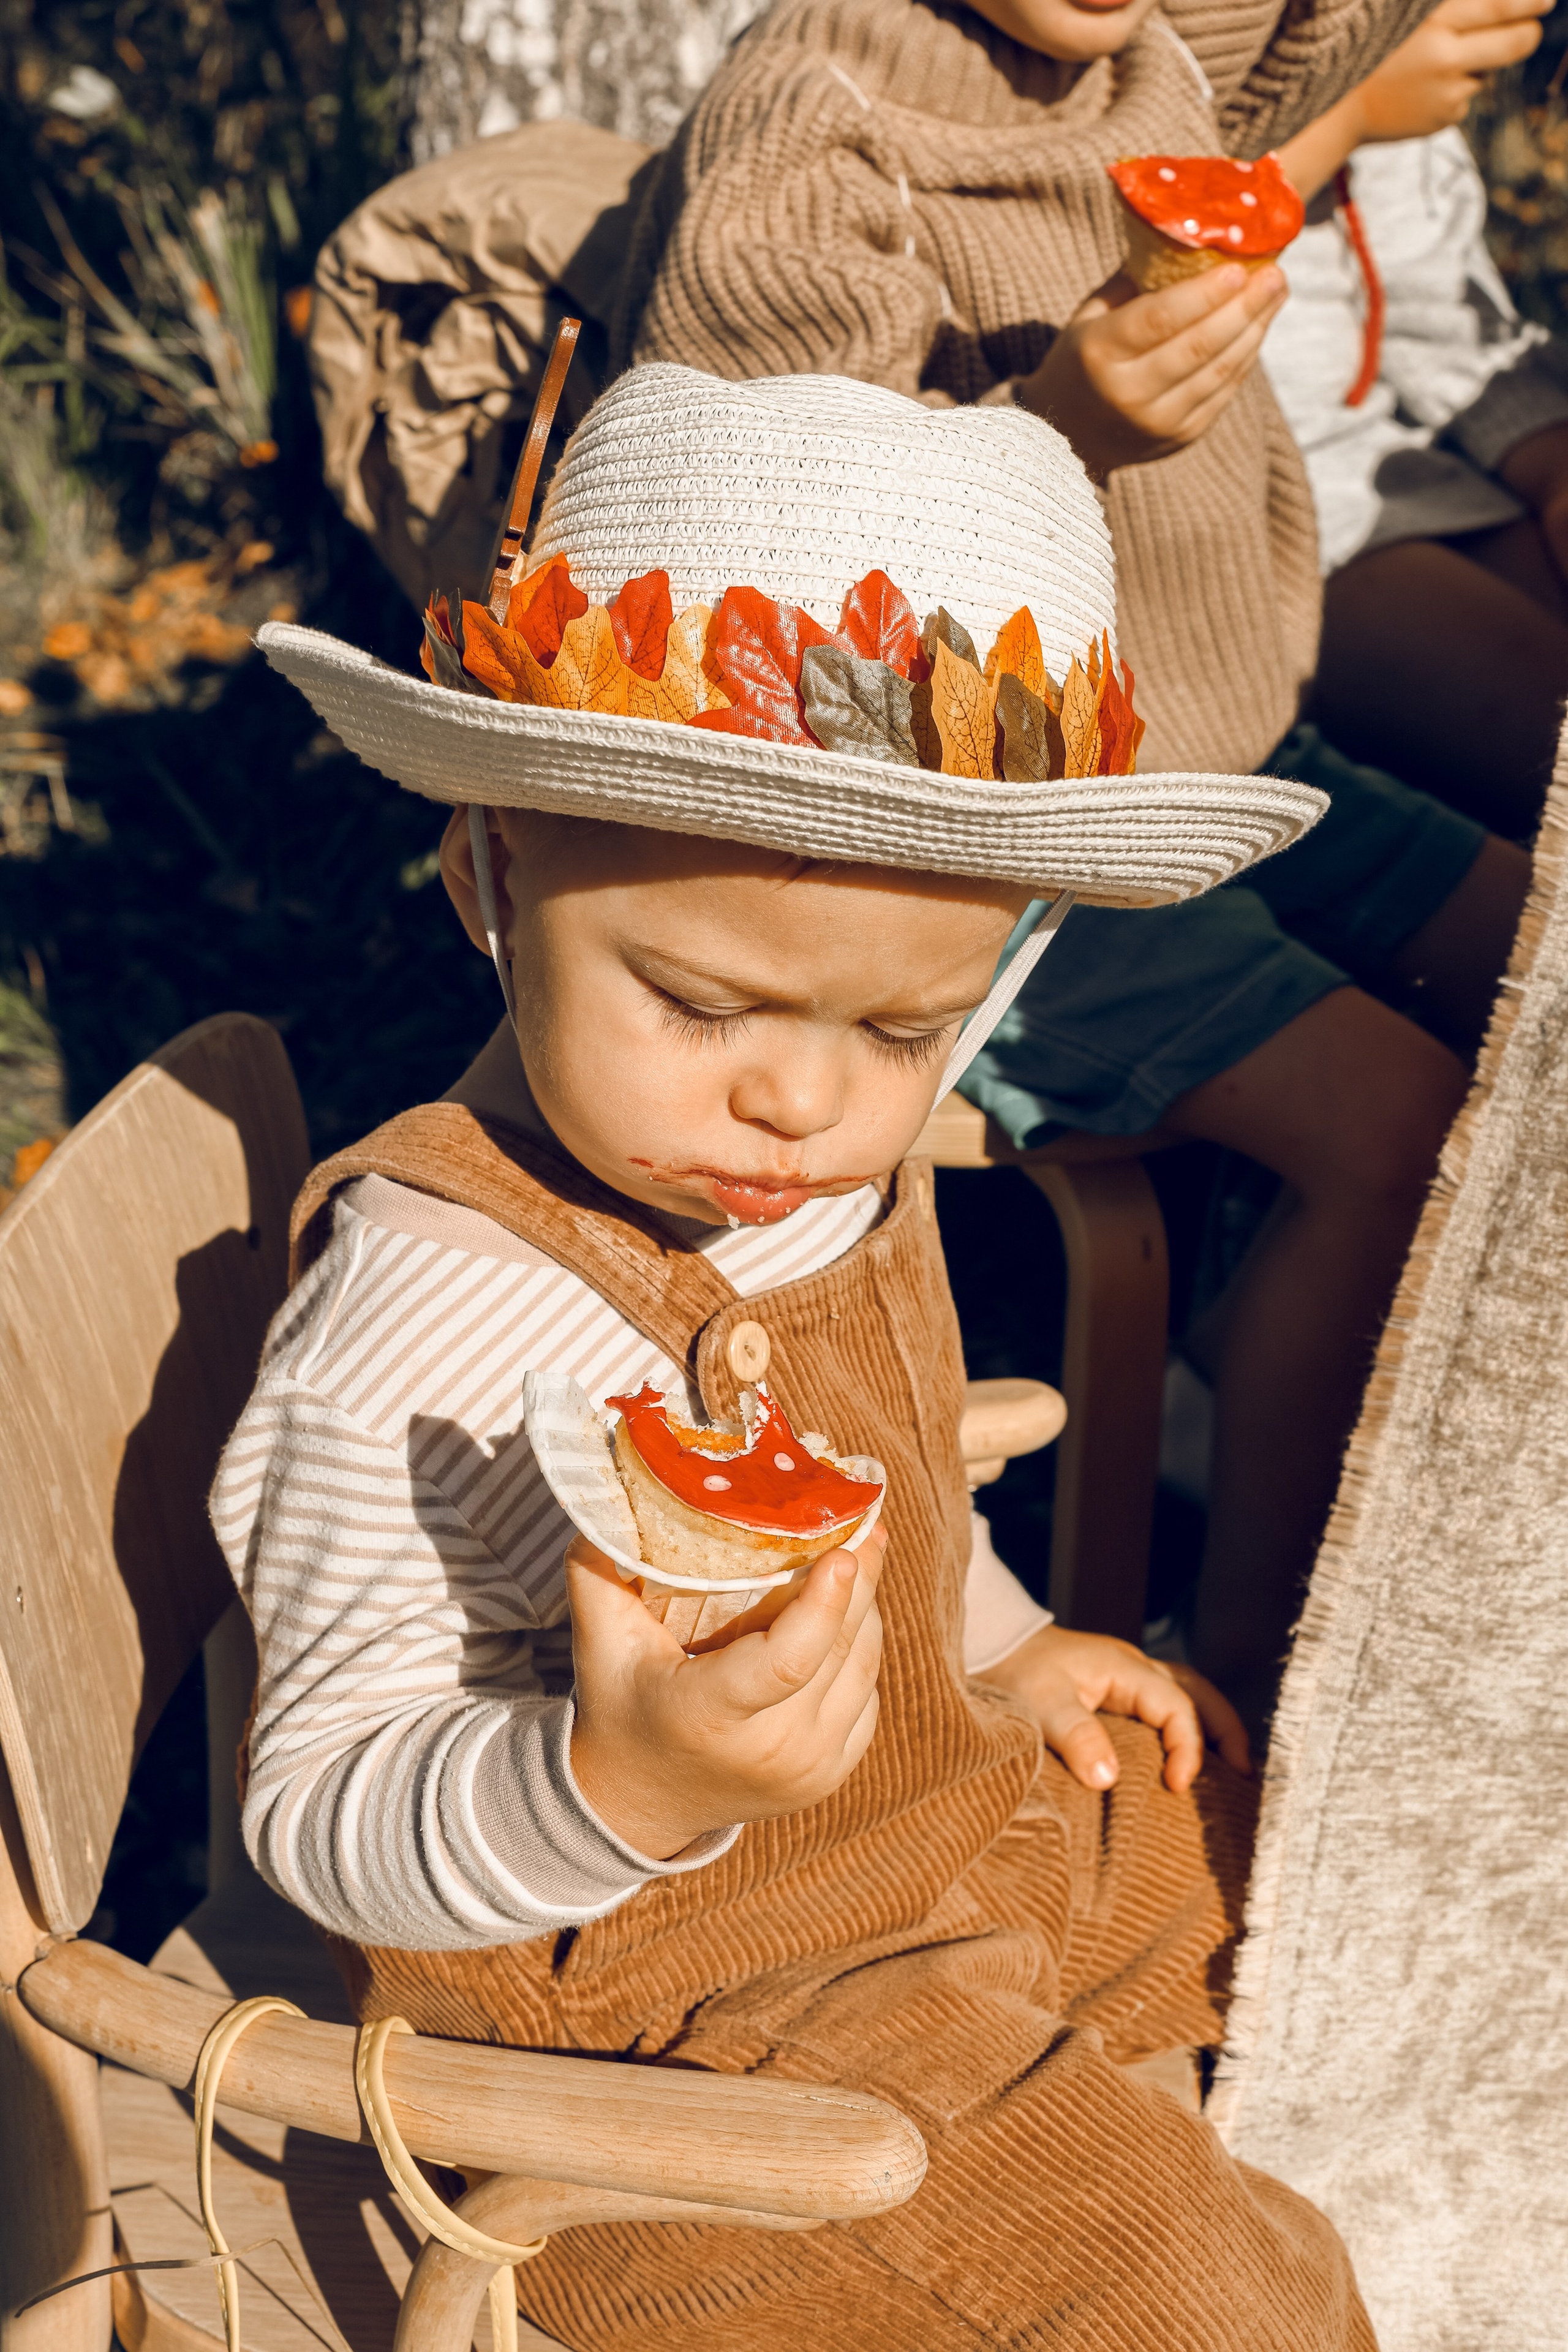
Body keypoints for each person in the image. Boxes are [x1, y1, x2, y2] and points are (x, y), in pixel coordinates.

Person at [228, 362, 1376, 2346]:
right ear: (490, 870)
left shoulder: (796, 1185)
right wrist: (626, 1776)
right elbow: (319, 1809)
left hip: (934, 1839)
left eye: (901, 1038)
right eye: (697, 1000)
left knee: (1316, 1863)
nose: (796, 1104)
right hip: (684, 2046)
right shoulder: (419, 1326)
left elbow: (887, 1457)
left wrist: (1002, 1640)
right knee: (1226, 2303)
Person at [612, 0, 1532, 1725]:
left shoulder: (1143, 61)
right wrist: (1058, 427)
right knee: (1396, 1129)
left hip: (1223, 749)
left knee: (1537, 995)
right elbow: (787, 539)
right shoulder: (812, 111)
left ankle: (1450, 1539)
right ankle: (1261, 1693)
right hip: (968, 823)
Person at [1264, 0, 1568, 837]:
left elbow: (1433, 306)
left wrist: (1550, 467)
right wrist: (1344, 112)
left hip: (1422, 480)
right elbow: (1137, 272)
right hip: (1275, 527)